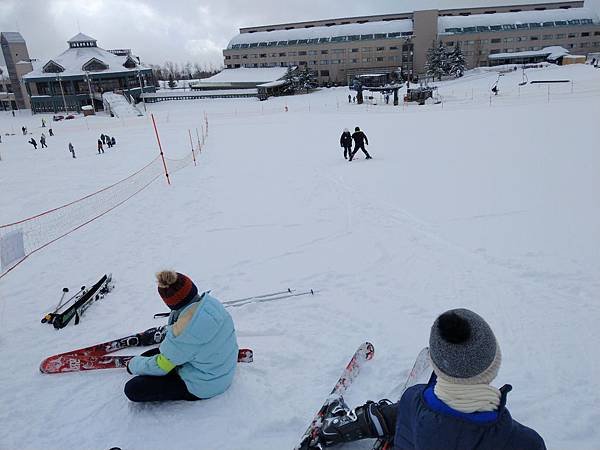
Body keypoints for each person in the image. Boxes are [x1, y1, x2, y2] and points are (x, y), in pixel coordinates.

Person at [309, 309, 546, 450]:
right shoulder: (526, 443)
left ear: (437, 365)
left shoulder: (414, 402)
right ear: (493, 365)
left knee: (397, 416)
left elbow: (400, 415)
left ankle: (344, 425)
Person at [124, 271, 239, 402]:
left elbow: (161, 367)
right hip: (221, 366)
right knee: (155, 354)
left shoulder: (184, 333)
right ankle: (148, 361)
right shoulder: (212, 304)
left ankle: (141, 364)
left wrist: (132, 365)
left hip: (205, 385)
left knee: (134, 388)